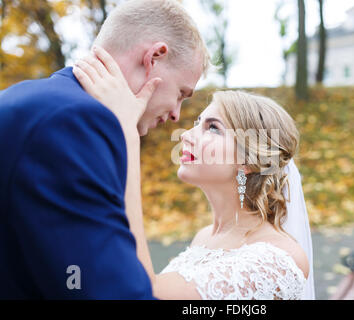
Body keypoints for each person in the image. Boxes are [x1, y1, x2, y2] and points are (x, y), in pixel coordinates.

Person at [0, 0, 209, 299]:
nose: (176, 114)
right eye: (181, 94)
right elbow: (112, 292)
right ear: (154, 57)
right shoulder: (74, 122)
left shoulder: (35, 99)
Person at [74, 48, 315, 300]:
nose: (187, 136)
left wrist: (126, 132)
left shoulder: (279, 259)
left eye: (212, 128)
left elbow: (145, 292)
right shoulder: (204, 237)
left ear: (249, 160)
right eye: (197, 123)